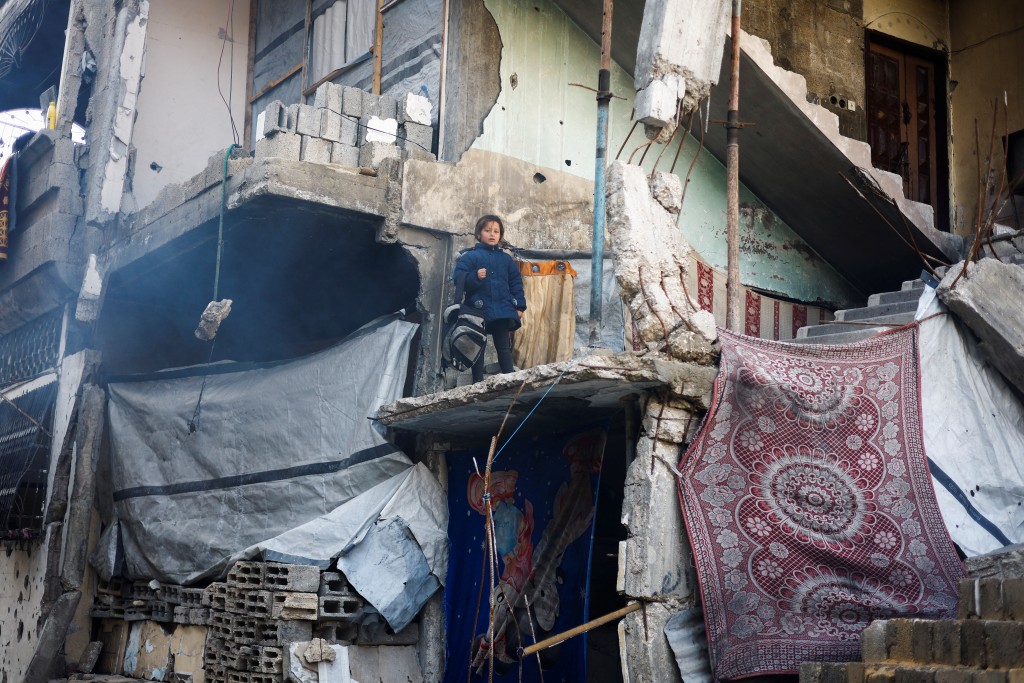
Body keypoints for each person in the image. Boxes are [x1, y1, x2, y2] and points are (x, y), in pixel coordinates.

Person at [452, 215, 526, 382]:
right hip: (477, 310)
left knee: (503, 346)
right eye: (487, 230)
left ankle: (509, 378)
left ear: (500, 235)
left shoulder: (506, 259)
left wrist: (520, 306)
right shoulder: (470, 257)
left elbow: (516, 283)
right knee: (478, 345)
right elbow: (458, 279)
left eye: (496, 231)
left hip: (502, 309)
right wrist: (475, 276)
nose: (492, 234)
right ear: (478, 234)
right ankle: (477, 381)